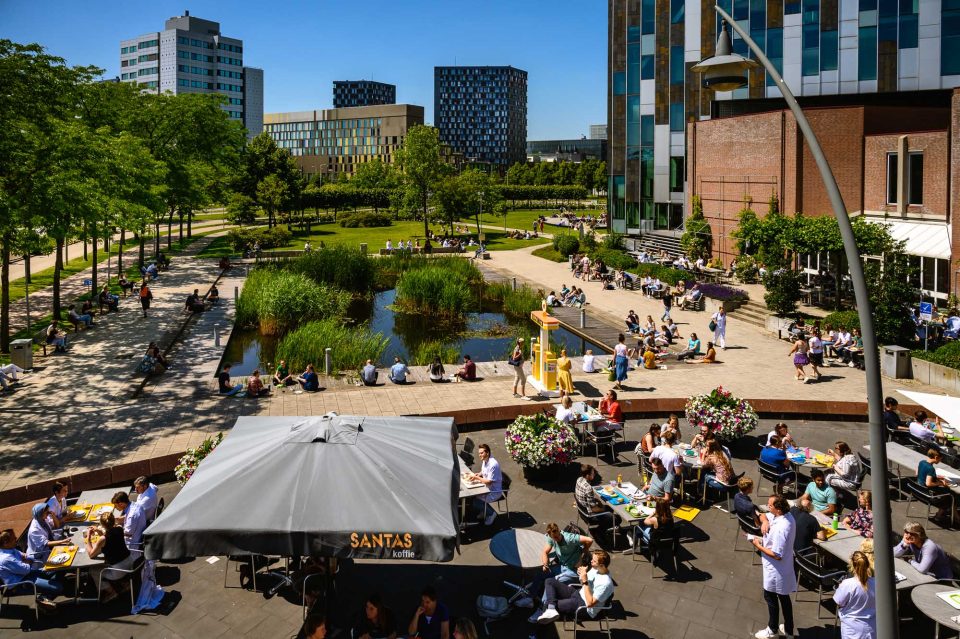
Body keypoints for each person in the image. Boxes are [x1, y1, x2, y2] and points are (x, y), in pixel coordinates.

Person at [752, 495, 797, 639]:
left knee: (770, 597)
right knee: (784, 598)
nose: (767, 506)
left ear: (777, 509)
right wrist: (764, 521)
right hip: (783, 567)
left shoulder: (781, 528)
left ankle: (772, 630)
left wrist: (758, 545)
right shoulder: (787, 516)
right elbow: (763, 515)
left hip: (776, 569)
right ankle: (789, 630)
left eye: (770, 505)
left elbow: (777, 554)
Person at [535, 549, 614, 624]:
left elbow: (590, 603)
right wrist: (582, 574)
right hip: (579, 593)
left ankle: (536, 632)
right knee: (550, 581)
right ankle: (551, 609)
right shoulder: (596, 569)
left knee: (547, 605)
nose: (591, 561)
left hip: (585, 607)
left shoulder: (605, 583)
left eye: (594, 561)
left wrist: (585, 581)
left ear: (602, 565)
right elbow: (583, 582)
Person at [0, 528, 62, 611]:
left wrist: (26, 561)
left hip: (28, 573)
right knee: (58, 587)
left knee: (58, 569)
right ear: (5, 543)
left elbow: (27, 557)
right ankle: (42, 598)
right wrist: (26, 561)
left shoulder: (10, 549)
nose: (16, 539)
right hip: (22, 582)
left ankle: (45, 595)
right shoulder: (6, 559)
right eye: (14, 538)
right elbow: (25, 569)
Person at [84, 512, 137, 601]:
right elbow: (111, 539)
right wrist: (100, 532)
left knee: (93, 570)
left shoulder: (103, 539)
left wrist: (88, 538)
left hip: (118, 570)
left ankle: (110, 591)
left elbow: (91, 554)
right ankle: (124, 583)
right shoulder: (119, 529)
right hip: (130, 563)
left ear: (102, 524)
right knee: (108, 563)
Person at [833, 551, 876, 639]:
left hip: (851, 629)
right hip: (871, 627)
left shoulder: (847, 584)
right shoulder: (876, 583)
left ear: (852, 565)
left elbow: (839, 602)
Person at [916, 448, 960, 525]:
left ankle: (953, 516)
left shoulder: (922, 462)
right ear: (936, 457)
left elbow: (917, 473)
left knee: (949, 493)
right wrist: (941, 483)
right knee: (952, 496)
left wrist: (935, 477)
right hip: (929, 494)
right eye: (940, 459)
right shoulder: (931, 468)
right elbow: (928, 483)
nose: (940, 461)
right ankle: (946, 516)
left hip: (920, 490)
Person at [575, 465, 618, 534]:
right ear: (587, 475)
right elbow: (594, 509)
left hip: (581, 511)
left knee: (608, 509)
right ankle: (599, 531)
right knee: (616, 518)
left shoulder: (579, 479)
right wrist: (603, 508)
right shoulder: (588, 488)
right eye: (592, 473)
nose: (594, 474)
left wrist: (596, 501)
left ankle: (601, 528)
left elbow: (585, 496)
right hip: (589, 515)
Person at [467, 444, 503, 526]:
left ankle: (491, 513)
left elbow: (489, 482)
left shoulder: (493, 464)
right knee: (474, 497)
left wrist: (476, 478)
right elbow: (483, 472)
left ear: (487, 453)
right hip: (487, 488)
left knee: (475, 501)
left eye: (482, 453)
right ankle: (484, 511)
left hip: (494, 491)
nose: (480, 455)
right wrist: (478, 474)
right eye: (479, 453)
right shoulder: (485, 460)